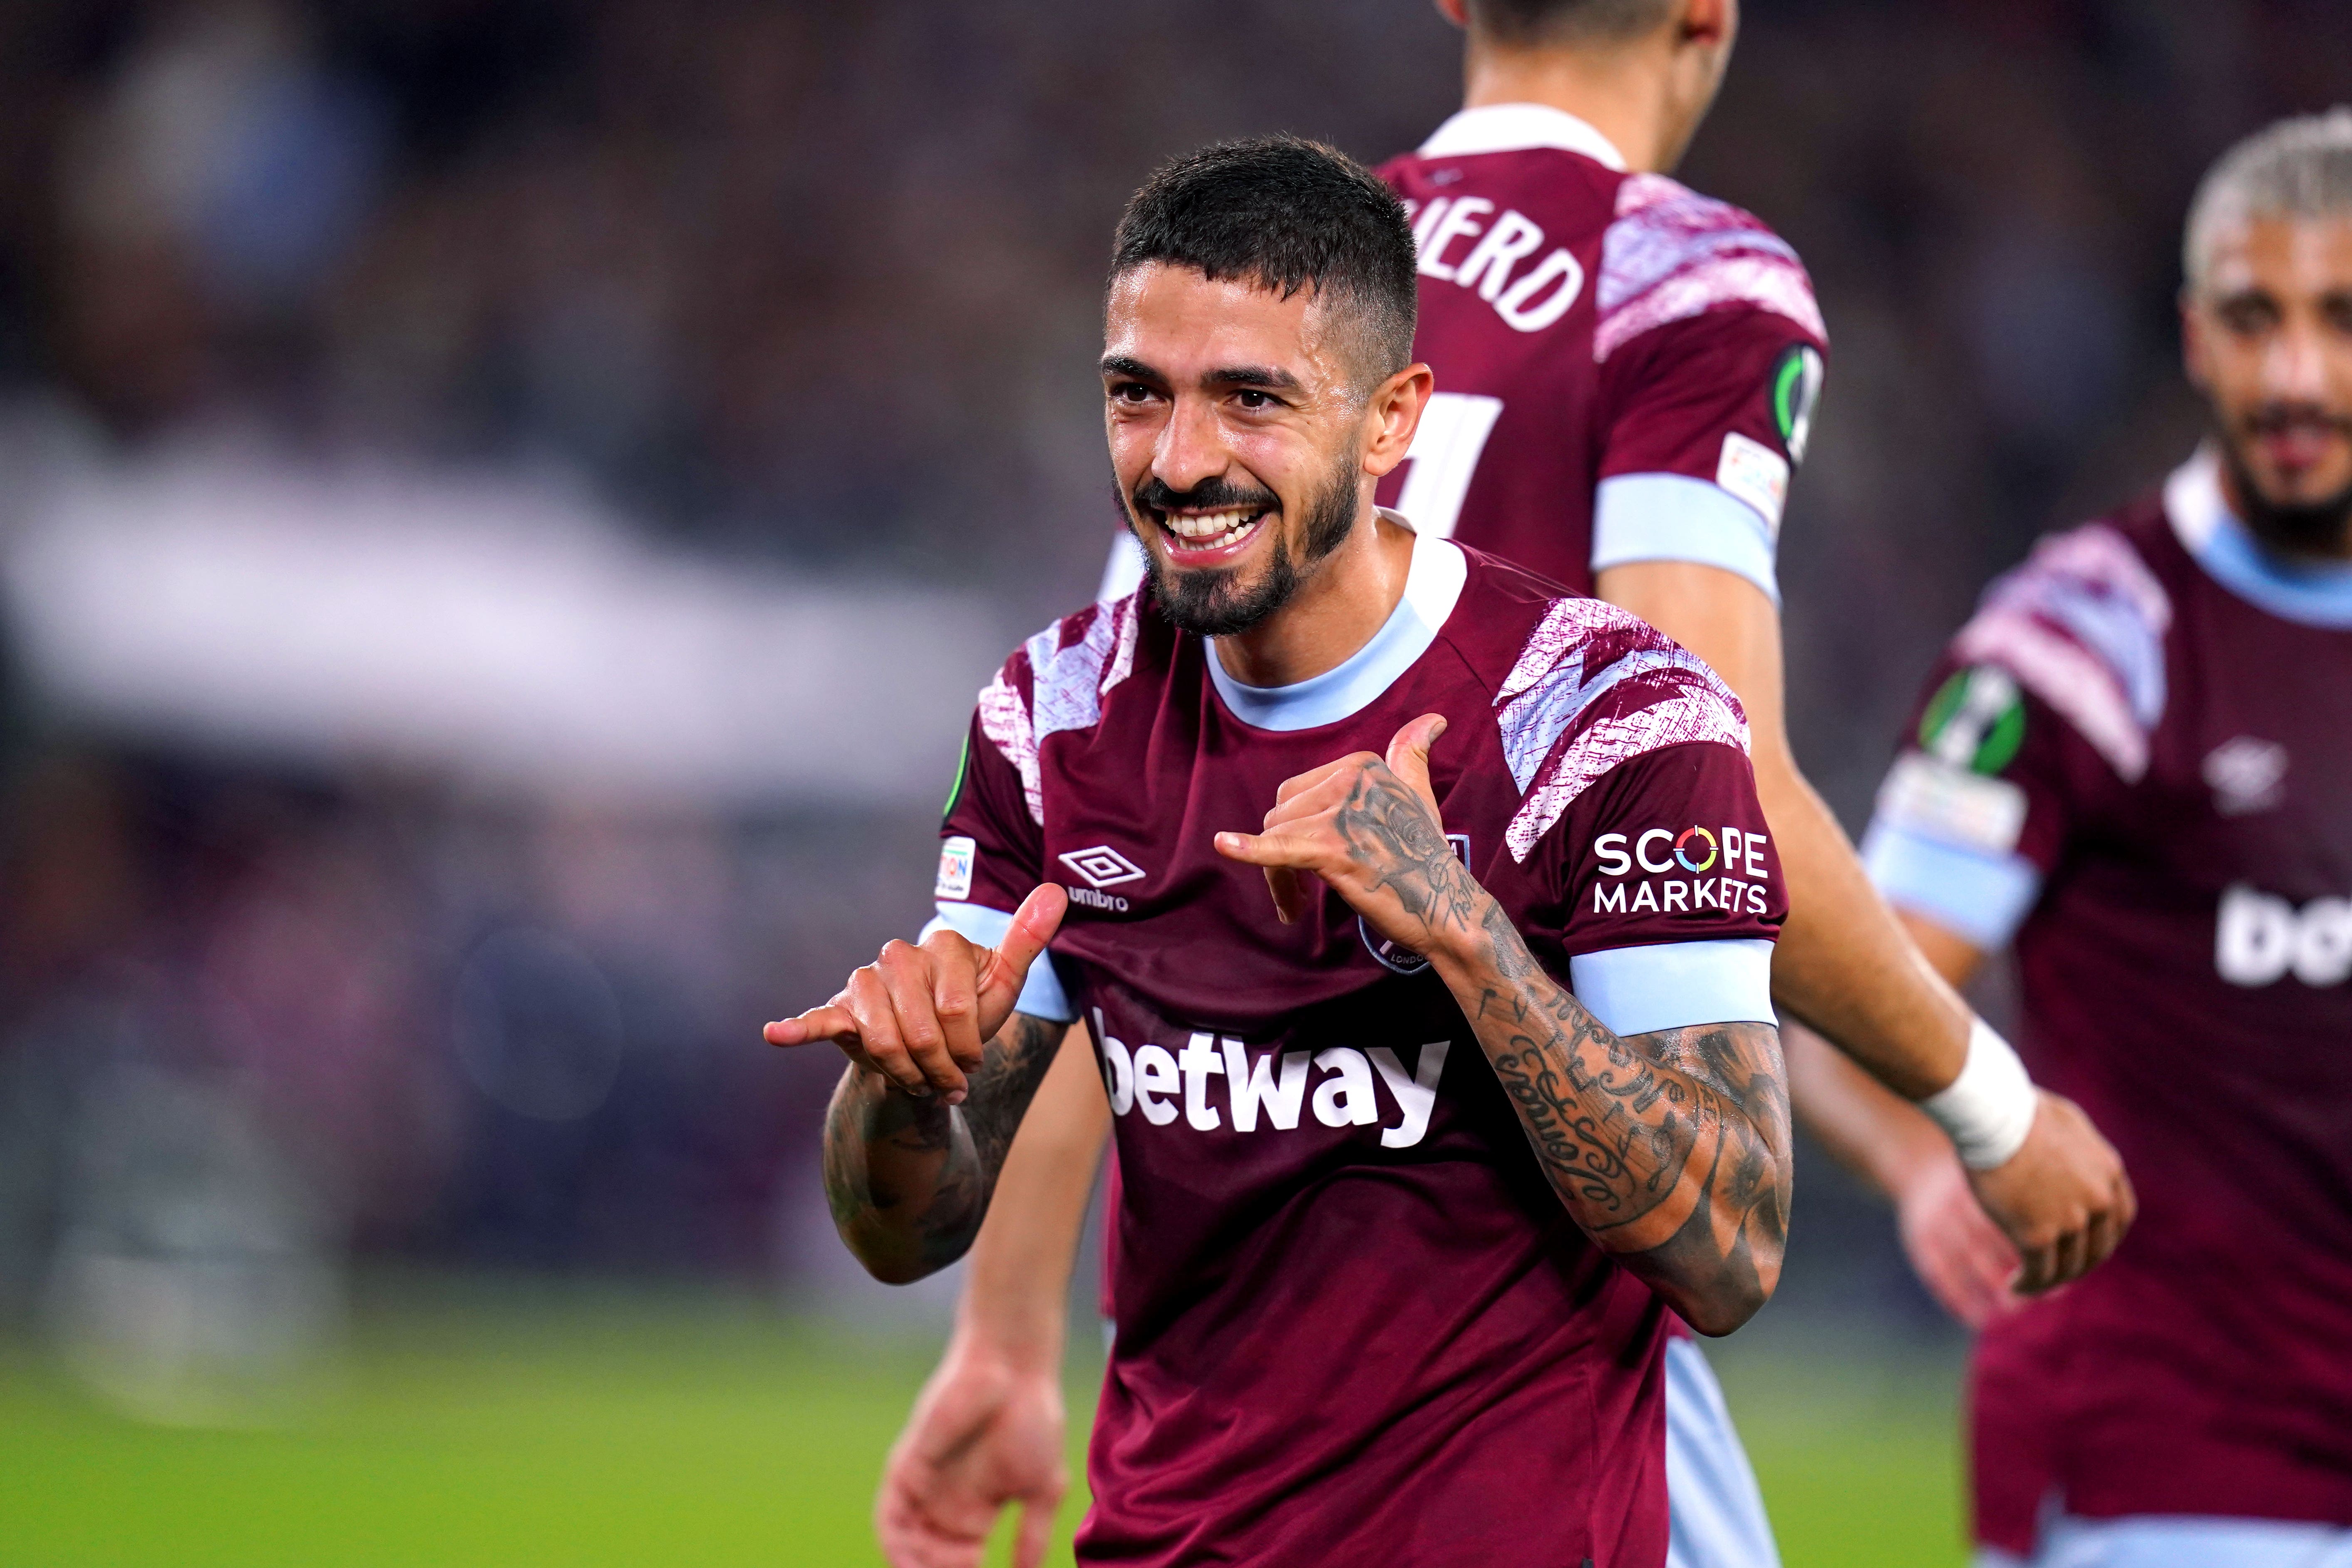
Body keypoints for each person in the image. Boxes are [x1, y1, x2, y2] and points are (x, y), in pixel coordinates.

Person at [875, 2, 2134, 1564]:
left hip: (1256, 1305)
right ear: (1706, 15)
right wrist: (1986, 1106)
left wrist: (1002, 1338)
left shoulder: (1250, 280)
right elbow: (1723, 773)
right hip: (1528, 1255)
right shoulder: (1676, 275)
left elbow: (1113, 870)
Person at [770, 136, 1797, 1567]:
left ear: (1391, 423)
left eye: (1249, 400)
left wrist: (1461, 930)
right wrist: (895, 1093)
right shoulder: (1053, 717)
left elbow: (1730, 1247)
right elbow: (906, 1227)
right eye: (1138, 396)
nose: (1180, 463)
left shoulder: (1609, 718)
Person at [1793, 109, 2352, 1566]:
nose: (2295, 373)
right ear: (2191, 334)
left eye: (2340, 321)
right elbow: (1836, 1002)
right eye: (2253, 317)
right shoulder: (2082, 646)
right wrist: (1931, 1164)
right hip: (2169, 1464)